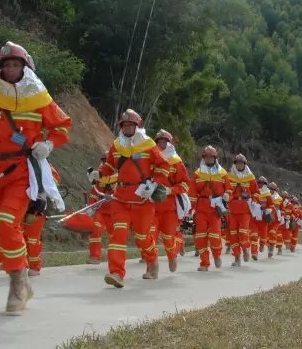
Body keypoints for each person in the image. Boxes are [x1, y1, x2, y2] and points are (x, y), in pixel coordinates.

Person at [0, 41, 72, 312]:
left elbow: (62, 127)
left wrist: (48, 144)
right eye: (6, 65)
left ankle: (19, 285)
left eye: (16, 65)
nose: (11, 70)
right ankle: (19, 276)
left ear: (25, 67)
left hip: (23, 171)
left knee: (5, 222)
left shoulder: (39, 97)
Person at [90, 109, 170, 288]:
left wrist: (154, 183)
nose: (127, 128)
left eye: (130, 125)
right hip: (121, 199)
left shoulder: (149, 145)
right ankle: (116, 273)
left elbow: (163, 167)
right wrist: (98, 173)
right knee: (118, 235)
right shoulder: (117, 145)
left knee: (142, 236)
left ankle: (152, 260)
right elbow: (109, 165)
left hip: (143, 199)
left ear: (137, 126)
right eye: (124, 125)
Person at [148, 129, 191, 272]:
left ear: (170, 144)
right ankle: (151, 268)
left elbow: (185, 183)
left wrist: (170, 190)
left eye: (164, 142)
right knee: (150, 237)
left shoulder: (176, 162)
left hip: (169, 207)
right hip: (151, 205)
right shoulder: (150, 160)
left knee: (168, 237)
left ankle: (172, 256)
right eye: (159, 142)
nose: (161, 145)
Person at [188, 145, 231, 272]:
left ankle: (217, 255)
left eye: (211, 157)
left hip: (215, 209)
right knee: (200, 237)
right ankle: (204, 262)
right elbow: (192, 193)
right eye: (206, 157)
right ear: (203, 158)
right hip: (201, 208)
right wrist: (191, 210)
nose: (208, 159)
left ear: (215, 158)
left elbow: (229, 188)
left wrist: (228, 194)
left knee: (214, 235)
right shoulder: (198, 173)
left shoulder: (223, 173)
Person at [22, 164, 65, 276]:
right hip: (19, 207)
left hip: (35, 209)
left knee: (32, 240)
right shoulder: (18, 162)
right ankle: (21, 264)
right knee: (20, 238)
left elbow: (54, 182)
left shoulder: (44, 165)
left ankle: (34, 267)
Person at [226, 154, 260, 267]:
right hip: (233, 208)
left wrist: (255, 199)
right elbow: (226, 190)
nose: (239, 164)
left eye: (241, 163)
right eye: (237, 163)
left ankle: (245, 248)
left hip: (245, 208)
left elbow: (256, 192)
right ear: (235, 164)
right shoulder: (229, 177)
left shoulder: (250, 177)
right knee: (233, 234)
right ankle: (237, 258)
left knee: (243, 232)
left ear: (245, 164)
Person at [86, 153, 117, 264]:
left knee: (115, 235)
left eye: (107, 161)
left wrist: (114, 195)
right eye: (104, 161)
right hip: (101, 209)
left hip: (115, 211)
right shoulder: (99, 177)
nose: (105, 164)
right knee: (95, 229)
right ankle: (94, 256)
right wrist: (90, 206)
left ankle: (115, 258)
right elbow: (94, 193)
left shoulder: (121, 177)